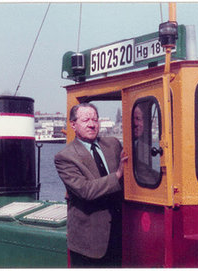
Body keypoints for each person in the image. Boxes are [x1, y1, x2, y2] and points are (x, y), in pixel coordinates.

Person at [54, 103, 128, 268]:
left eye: (95, 119)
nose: (92, 124)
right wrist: (117, 175)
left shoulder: (113, 145)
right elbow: (85, 190)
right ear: (73, 125)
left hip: (119, 235)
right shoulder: (65, 157)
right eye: (86, 120)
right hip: (88, 243)